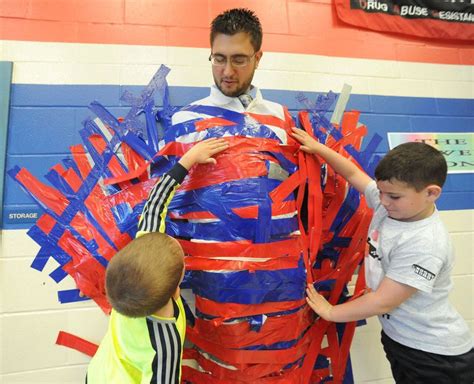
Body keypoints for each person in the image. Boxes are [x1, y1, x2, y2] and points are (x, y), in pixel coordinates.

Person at [291, 128, 474, 384]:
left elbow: (383, 303)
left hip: (434, 354)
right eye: (382, 192)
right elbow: (354, 173)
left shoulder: (424, 242)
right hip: (401, 340)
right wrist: (319, 149)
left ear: (431, 193)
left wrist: (331, 312)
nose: (383, 201)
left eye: (394, 196)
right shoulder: (390, 205)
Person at [86, 138, 228, 384]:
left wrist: (188, 160)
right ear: (176, 289)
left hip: (99, 375)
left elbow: (155, 204)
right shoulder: (166, 343)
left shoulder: (130, 289)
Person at [172, 7, 293, 136]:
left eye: (239, 60)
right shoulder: (187, 119)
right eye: (219, 59)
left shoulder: (281, 117)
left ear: (257, 59)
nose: (228, 72)